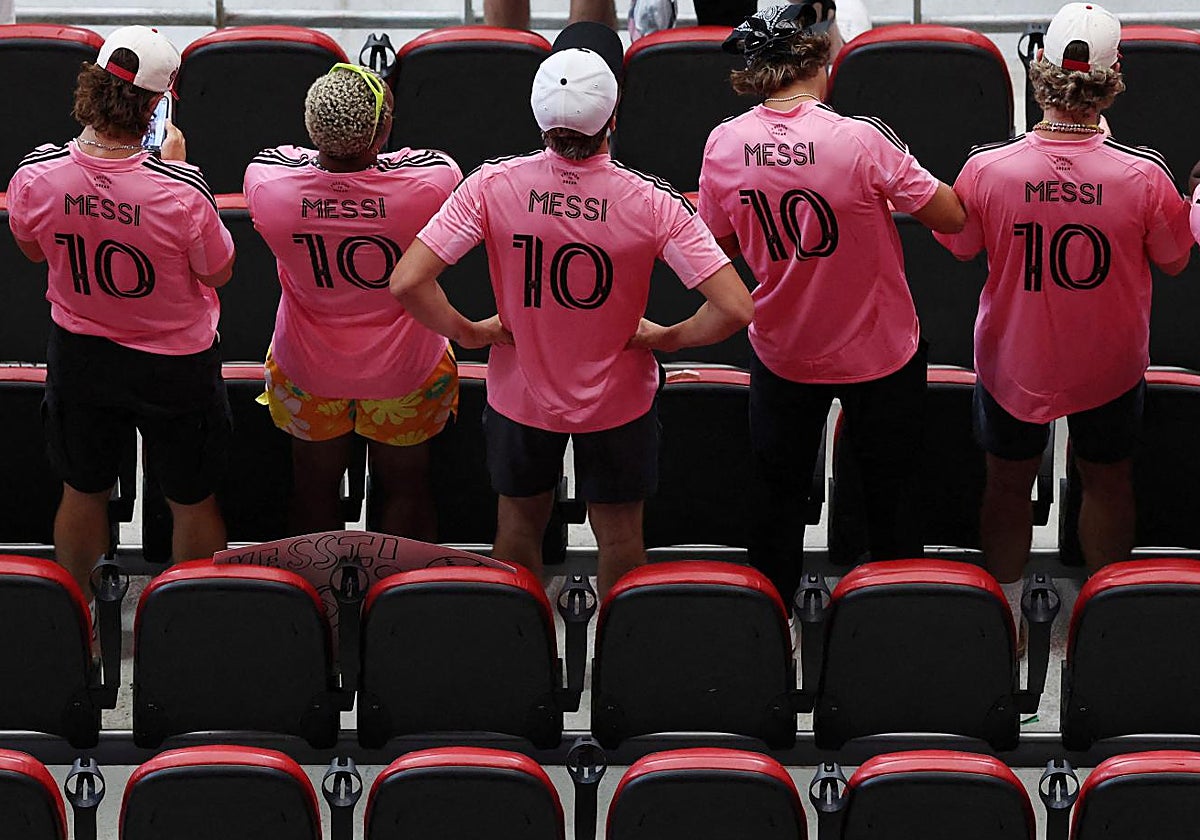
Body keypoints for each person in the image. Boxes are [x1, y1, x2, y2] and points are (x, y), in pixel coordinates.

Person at [389, 42, 754, 596]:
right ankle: (616, 644)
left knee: (517, 526)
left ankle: (520, 640)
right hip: (618, 399)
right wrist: (667, 338)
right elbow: (735, 306)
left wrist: (470, 332)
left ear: (540, 119)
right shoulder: (651, 200)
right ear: (612, 118)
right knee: (621, 537)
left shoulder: (492, 184)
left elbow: (407, 281)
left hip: (520, 394)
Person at [698, 1, 965, 609]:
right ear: (820, 61)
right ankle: (892, 620)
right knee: (892, 499)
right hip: (881, 353)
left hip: (784, 350)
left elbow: (721, 242)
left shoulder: (723, 143)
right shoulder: (861, 139)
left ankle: (768, 624)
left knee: (776, 499)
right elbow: (950, 215)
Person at [935, 3, 1193, 599]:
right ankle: (1103, 615)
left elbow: (961, 246)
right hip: (1109, 365)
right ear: (1113, 75)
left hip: (1012, 363)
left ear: (1040, 68)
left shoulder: (987, 167)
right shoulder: (1145, 175)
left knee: (1006, 483)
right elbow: (1176, 260)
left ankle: (1003, 616)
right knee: (1107, 481)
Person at [6, 26, 236, 595]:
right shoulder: (181, 188)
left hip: (82, 354)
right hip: (175, 364)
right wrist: (180, 169)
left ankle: (76, 620)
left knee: (81, 490)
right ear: (155, 108)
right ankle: (190, 619)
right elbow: (218, 272)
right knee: (191, 498)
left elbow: (32, 249)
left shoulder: (36, 172)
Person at [244, 64, 461, 539]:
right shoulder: (431, 185)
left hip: (307, 369)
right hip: (406, 370)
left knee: (312, 487)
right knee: (407, 488)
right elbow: (432, 160)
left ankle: (318, 583)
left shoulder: (266, 184)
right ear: (381, 134)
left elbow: (283, 157)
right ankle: (398, 586)